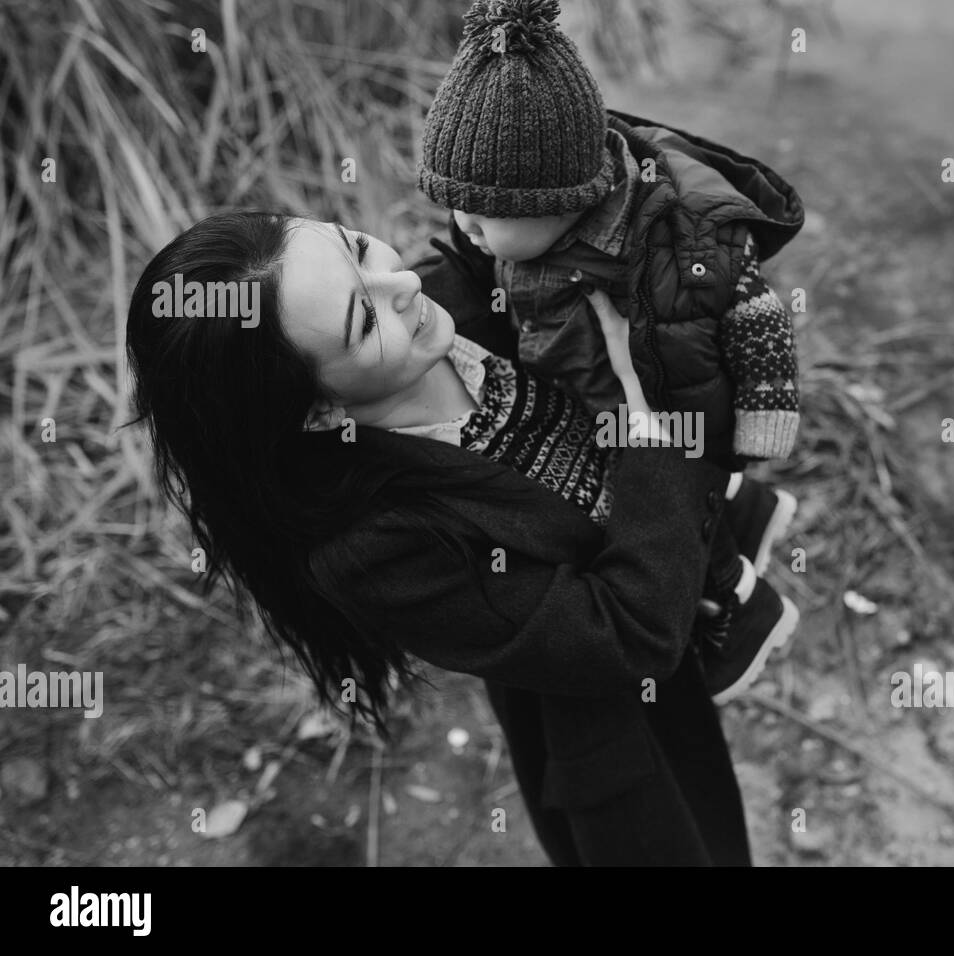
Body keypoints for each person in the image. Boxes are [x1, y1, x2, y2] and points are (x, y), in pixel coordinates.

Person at [125, 210, 758, 864]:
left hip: (684, 603)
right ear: (318, 410)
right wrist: (651, 416)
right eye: (365, 320)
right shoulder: (373, 549)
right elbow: (627, 630)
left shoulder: (462, 291)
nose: (398, 283)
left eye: (360, 247)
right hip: (614, 732)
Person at [417, 0, 805, 701]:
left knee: (670, 510)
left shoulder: (677, 238)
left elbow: (755, 309)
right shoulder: (535, 228)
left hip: (676, 406)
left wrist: (765, 414)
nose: (465, 228)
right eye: (456, 208)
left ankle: (742, 607)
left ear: (561, 200)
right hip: (591, 394)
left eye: (482, 216)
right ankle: (751, 509)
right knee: (663, 485)